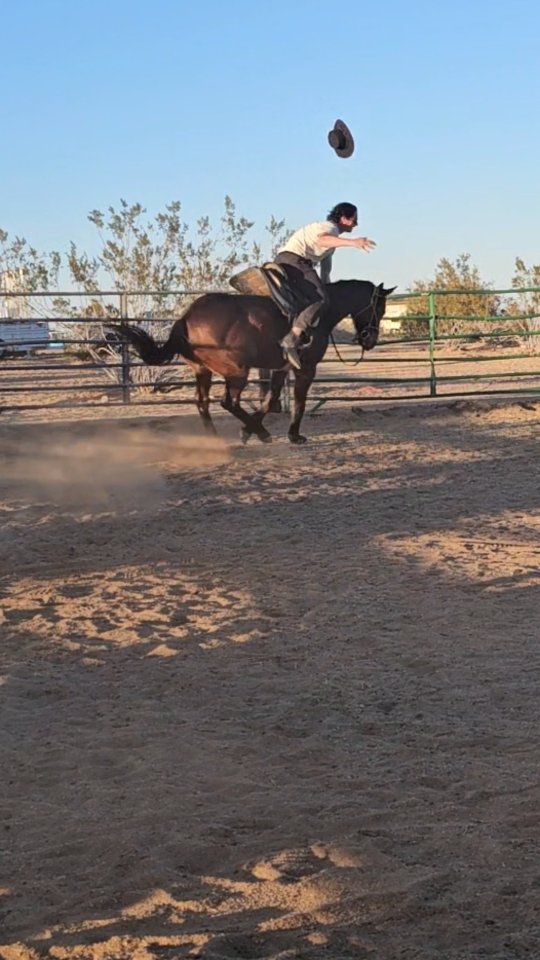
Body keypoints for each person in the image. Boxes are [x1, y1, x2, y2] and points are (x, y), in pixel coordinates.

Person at [275, 202, 376, 369]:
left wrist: (326, 286)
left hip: (286, 260)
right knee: (320, 300)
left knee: (315, 296)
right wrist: (354, 243)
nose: (356, 224)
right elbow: (323, 241)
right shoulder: (329, 228)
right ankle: (292, 338)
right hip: (296, 262)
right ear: (344, 218)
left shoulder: (332, 240)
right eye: (354, 220)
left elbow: (325, 270)